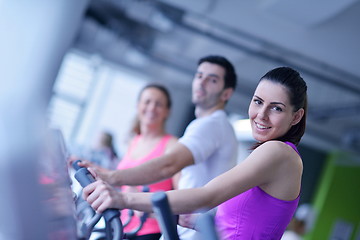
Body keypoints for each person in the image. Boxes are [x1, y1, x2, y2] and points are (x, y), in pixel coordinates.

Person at [82, 66, 308, 240]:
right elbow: (247, 227)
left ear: (296, 117)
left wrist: (123, 198)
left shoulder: (278, 153)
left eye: (276, 108)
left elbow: (206, 196)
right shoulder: (273, 154)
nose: (261, 115)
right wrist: (191, 219)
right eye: (258, 102)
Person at [77, 55, 239, 239]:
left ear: (226, 93)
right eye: (199, 76)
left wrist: (112, 178)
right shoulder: (207, 126)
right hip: (179, 230)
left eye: (213, 80)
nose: (202, 83)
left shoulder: (211, 125)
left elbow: (169, 165)